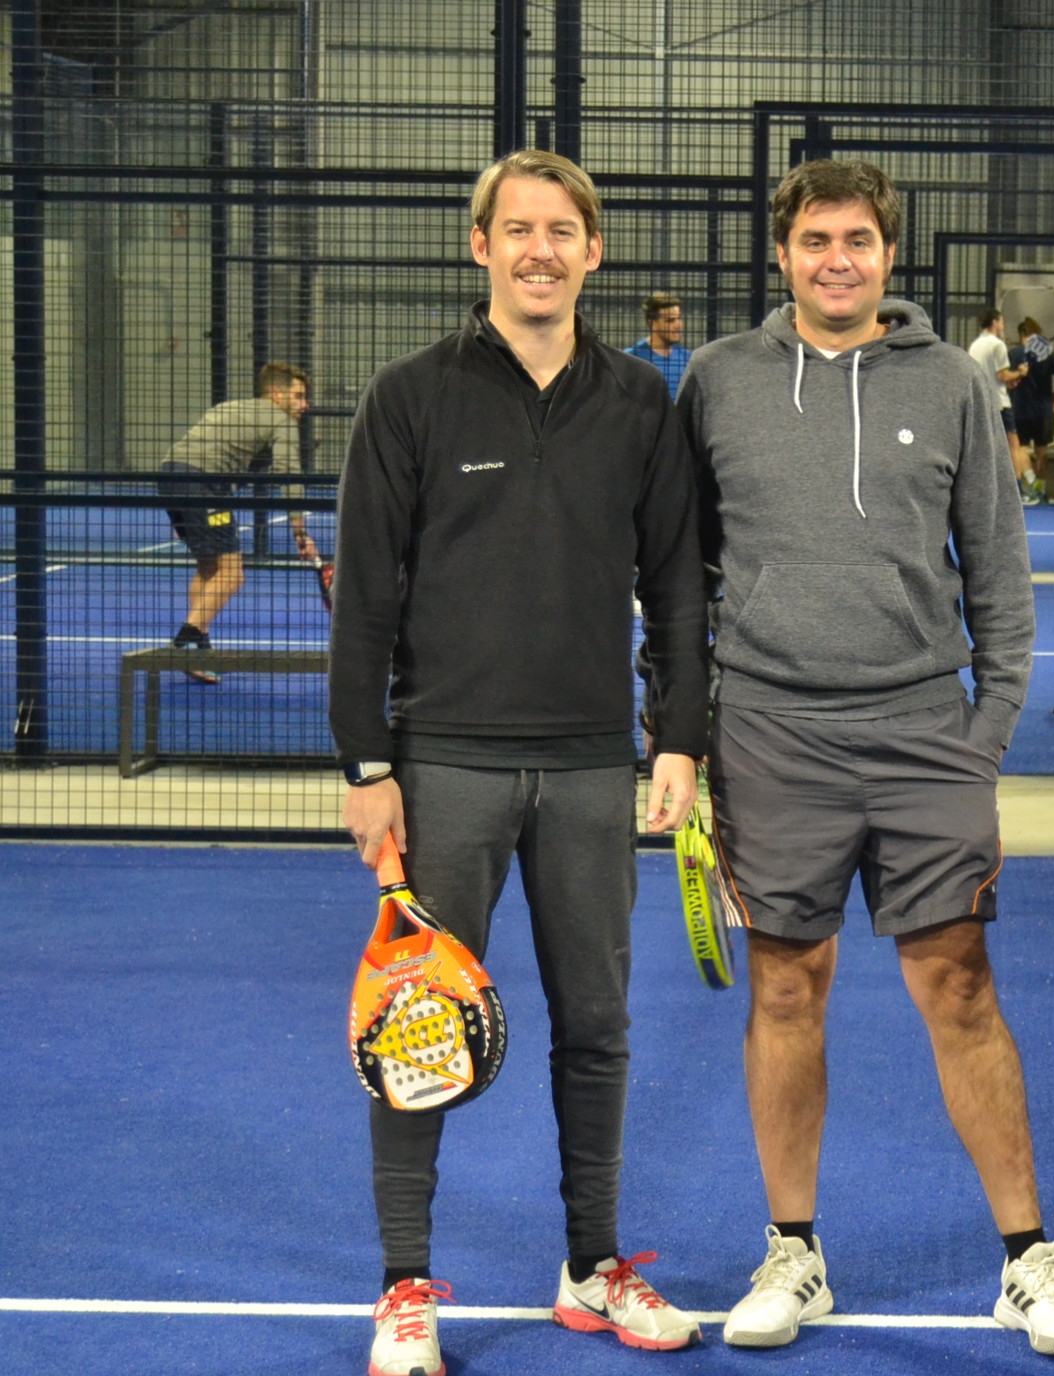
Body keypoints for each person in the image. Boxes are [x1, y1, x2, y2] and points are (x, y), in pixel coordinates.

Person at [680, 158, 1054, 1357]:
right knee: (784, 988)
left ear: (888, 255)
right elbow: (681, 570)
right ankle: (793, 1254)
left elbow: (1000, 573)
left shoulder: (954, 383)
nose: (837, 261)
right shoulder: (717, 381)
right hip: (769, 736)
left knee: (958, 986)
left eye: (857, 240)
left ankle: (1027, 1262)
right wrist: (691, 733)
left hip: (924, 734)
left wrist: (986, 731)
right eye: (815, 240)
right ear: (782, 255)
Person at [331, 150, 711, 1376]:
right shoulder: (409, 398)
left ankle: (592, 1268)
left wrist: (680, 736)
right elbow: (366, 597)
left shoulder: (641, 404)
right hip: (446, 766)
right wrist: (365, 766)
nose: (539, 249)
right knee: (420, 1027)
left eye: (562, 230)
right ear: (481, 246)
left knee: (597, 1025)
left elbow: (678, 588)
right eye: (517, 228)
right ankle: (404, 1290)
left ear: (593, 252)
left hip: (593, 767)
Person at [159, 361, 321, 681]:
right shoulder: (281, 420)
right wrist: (300, 532)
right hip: (204, 484)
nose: (305, 405)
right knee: (232, 575)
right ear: (275, 394)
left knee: (209, 568)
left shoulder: (232, 407)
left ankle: (198, 652)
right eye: (298, 396)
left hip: (169, 476)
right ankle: (181, 646)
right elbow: (289, 475)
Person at [968, 309, 1033, 501]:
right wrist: (1020, 373)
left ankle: (981, 490)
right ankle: (1017, 490)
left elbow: (992, 377)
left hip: (979, 402)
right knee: (1013, 445)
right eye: (1002, 322)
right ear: (995, 322)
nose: (1003, 326)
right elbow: (1003, 375)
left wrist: (1011, 381)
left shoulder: (975, 346)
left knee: (982, 447)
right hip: (999, 404)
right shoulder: (998, 345)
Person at [1008, 316, 1054, 505]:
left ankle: (1030, 486)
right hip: (1043, 410)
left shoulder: (1014, 353)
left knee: (1020, 448)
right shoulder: (1049, 354)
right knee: (1042, 451)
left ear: (1021, 335)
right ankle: (1041, 490)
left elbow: (1007, 379)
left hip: (1020, 409)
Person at [624, 291, 693, 396]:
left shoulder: (687, 358)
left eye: (679, 318)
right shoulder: (632, 357)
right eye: (670, 320)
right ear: (652, 323)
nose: (678, 325)